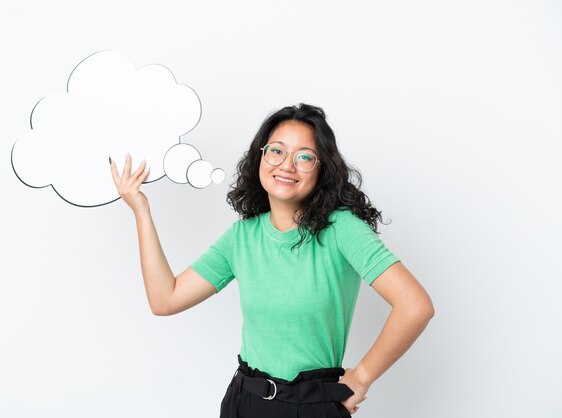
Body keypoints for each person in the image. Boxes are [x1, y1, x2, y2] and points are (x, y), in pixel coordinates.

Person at [110, 103, 434, 417]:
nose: (287, 165)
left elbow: (414, 305)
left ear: (322, 170)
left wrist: (362, 377)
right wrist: (142, 211)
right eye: (277, 150)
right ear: (260, 157)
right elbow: (165, 299)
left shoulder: (343, 230)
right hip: (244, 400)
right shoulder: (242, 237)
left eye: (304, 156)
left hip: (312, 404)